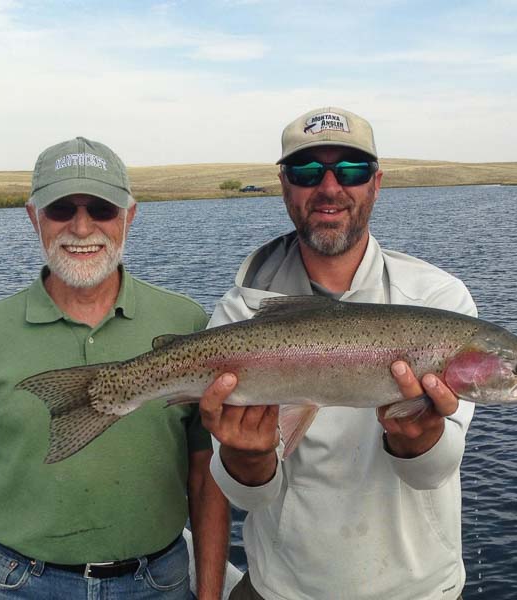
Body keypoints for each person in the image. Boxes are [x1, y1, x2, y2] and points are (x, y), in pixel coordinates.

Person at [0, 137, 230, 599]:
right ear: (34, 217)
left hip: (159, 582)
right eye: (61, 209)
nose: (82, 227)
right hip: (18, 584)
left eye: (102, 209)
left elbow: (205, 472)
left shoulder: (186, 321)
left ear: (130, 216)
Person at [198, 108, 478, 600]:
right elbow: (247, 494)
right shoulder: (240, 311)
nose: (330, 187)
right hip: (280, 589)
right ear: (284, 185)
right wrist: (248, 456)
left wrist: (421, 440)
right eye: (308, 172)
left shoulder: (438, 300)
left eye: (351, 169)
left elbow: (434, 472)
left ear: (376, 183)